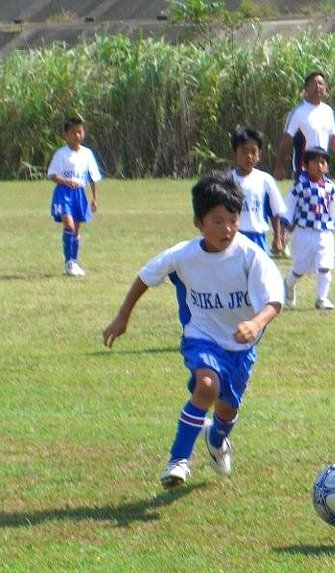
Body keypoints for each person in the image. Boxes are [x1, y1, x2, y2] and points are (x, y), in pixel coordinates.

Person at [102, 171, 284, 488]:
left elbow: (274, 301)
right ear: (198, 223)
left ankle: (216, 440)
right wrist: (122, 317)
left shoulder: (251, 256)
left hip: (240, 348)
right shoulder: (184, 255)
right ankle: (178, 460)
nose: (227, 229)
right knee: (207, 387)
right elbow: (146, 276)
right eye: (217, 221)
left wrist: (255, 323)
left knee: (227, 410)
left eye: (233, 220)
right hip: (201, 338)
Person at [283, 146, 335, 311]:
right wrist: (287, 225)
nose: (319, 166)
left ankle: (321, 298)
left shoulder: (330, 186)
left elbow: (332, 207)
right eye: (315, 162)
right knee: (299, 268)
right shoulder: (300, 186)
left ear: (327, 166)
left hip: (324, 232)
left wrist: (333, 223)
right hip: (304, 232)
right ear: (306, 165)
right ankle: (288, 285)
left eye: (323, 162)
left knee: (325, 266)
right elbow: (289, 206)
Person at [273, 70, 335, 182]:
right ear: (306, 88)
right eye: (314, 84)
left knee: (326, 193)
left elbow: (333, 138)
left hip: (322, 168)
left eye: (320, 84)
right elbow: (286, 139)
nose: (318, 87)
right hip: (304, 170)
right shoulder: (298, 112)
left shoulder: (327, 111)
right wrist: (279, 166)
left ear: (325, 88)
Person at [47, 115, 102, 276]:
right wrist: (65, 181)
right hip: (63, 193)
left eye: (79, 132)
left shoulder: (87, 154)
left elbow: (93, 177)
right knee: (69, 226)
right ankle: (69, 262)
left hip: (79, 193)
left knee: (76, 231)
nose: (77, 135)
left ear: (83, 133)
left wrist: (94, 198)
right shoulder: (61, 154)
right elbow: (52, 174)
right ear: (66, 134)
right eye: (73, 132)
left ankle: (74, 261)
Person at [229, 126, 286, 257]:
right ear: (235, 154)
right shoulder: (227, 180)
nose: (249, 156)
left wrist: (277, 238)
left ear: (259, 155)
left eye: (253, 151)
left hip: (257, 238)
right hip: (233, 238)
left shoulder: (265, 180)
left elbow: (275, 211)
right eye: (244, 151)